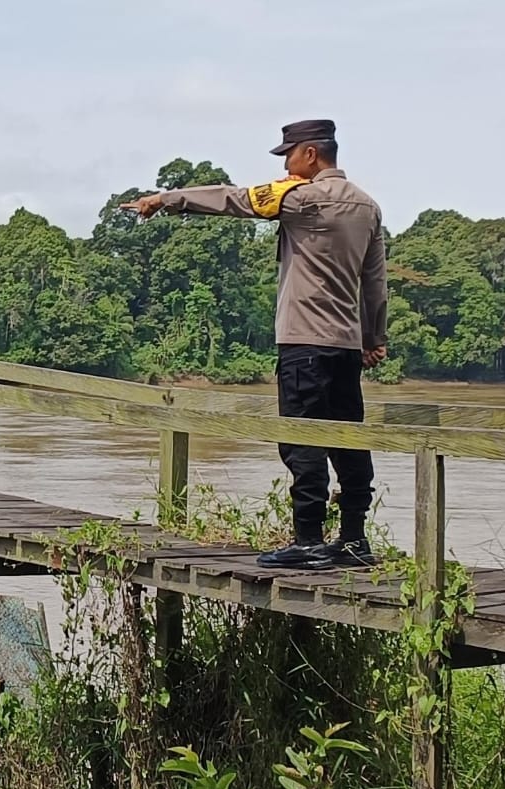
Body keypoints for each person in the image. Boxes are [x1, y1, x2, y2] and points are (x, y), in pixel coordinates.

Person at [120, 119, 388, 569]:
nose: (284, 163)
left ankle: (307, 541)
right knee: (348, 438)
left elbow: (232, 198)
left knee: (300, 440)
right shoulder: (368, 206)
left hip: (303, 342)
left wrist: (165, 200)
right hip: (344, 348)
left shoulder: (298, 198)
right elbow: (375, 282)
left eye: (288, 154)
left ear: (310, 154)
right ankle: (354, 541)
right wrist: (372, 338)